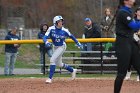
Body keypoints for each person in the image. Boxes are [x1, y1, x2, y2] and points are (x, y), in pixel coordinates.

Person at [43, 15, 83, 83]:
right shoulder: (51, 29)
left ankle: (50, 78)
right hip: (55, 47)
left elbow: (72, 36)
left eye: (61, 21)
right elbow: (44, 37)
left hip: (62, 46)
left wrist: (78, 42)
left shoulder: (65, 30)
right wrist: (46, 41)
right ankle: (72, 70)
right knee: (59, 64)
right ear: (55, 22)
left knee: (52, 60)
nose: (61, 23)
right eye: (59, 21)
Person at [114, 0, 140, 93]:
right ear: (126, 1)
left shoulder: (128, 11)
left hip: (130, 41)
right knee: (121, 73)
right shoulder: (123, 12)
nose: (134, 0)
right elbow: (134, 26)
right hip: (123, 43)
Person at [125, 7, 140, 82]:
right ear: (136, 13)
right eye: (138, 11)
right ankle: (128, 72)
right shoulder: (133, 20)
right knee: (129, 57)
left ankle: (138, 75)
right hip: (133, 40)